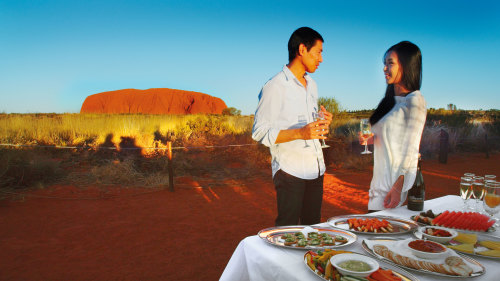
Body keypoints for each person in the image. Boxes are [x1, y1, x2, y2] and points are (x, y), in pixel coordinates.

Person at [252, 27, 332, 226]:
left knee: (313, 228)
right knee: (287, 231)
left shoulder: (312, 85)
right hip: (290, 172)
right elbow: (259, 132)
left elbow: (308, 123)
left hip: (316, 169)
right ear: (302, 49)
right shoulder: (275, 86)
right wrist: (301, 133)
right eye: (319, 52)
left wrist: (322, 121)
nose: (321, 59)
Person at [367, 41, 427, 211]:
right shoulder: (389, 103)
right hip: (377, 188)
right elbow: (386, 139)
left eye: (390, 63)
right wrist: (370, 139)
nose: (384, 68)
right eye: (384, 64)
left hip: (391, 191)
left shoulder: (415, 101)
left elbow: (412, 149)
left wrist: (398, 187)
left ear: (407, 65)